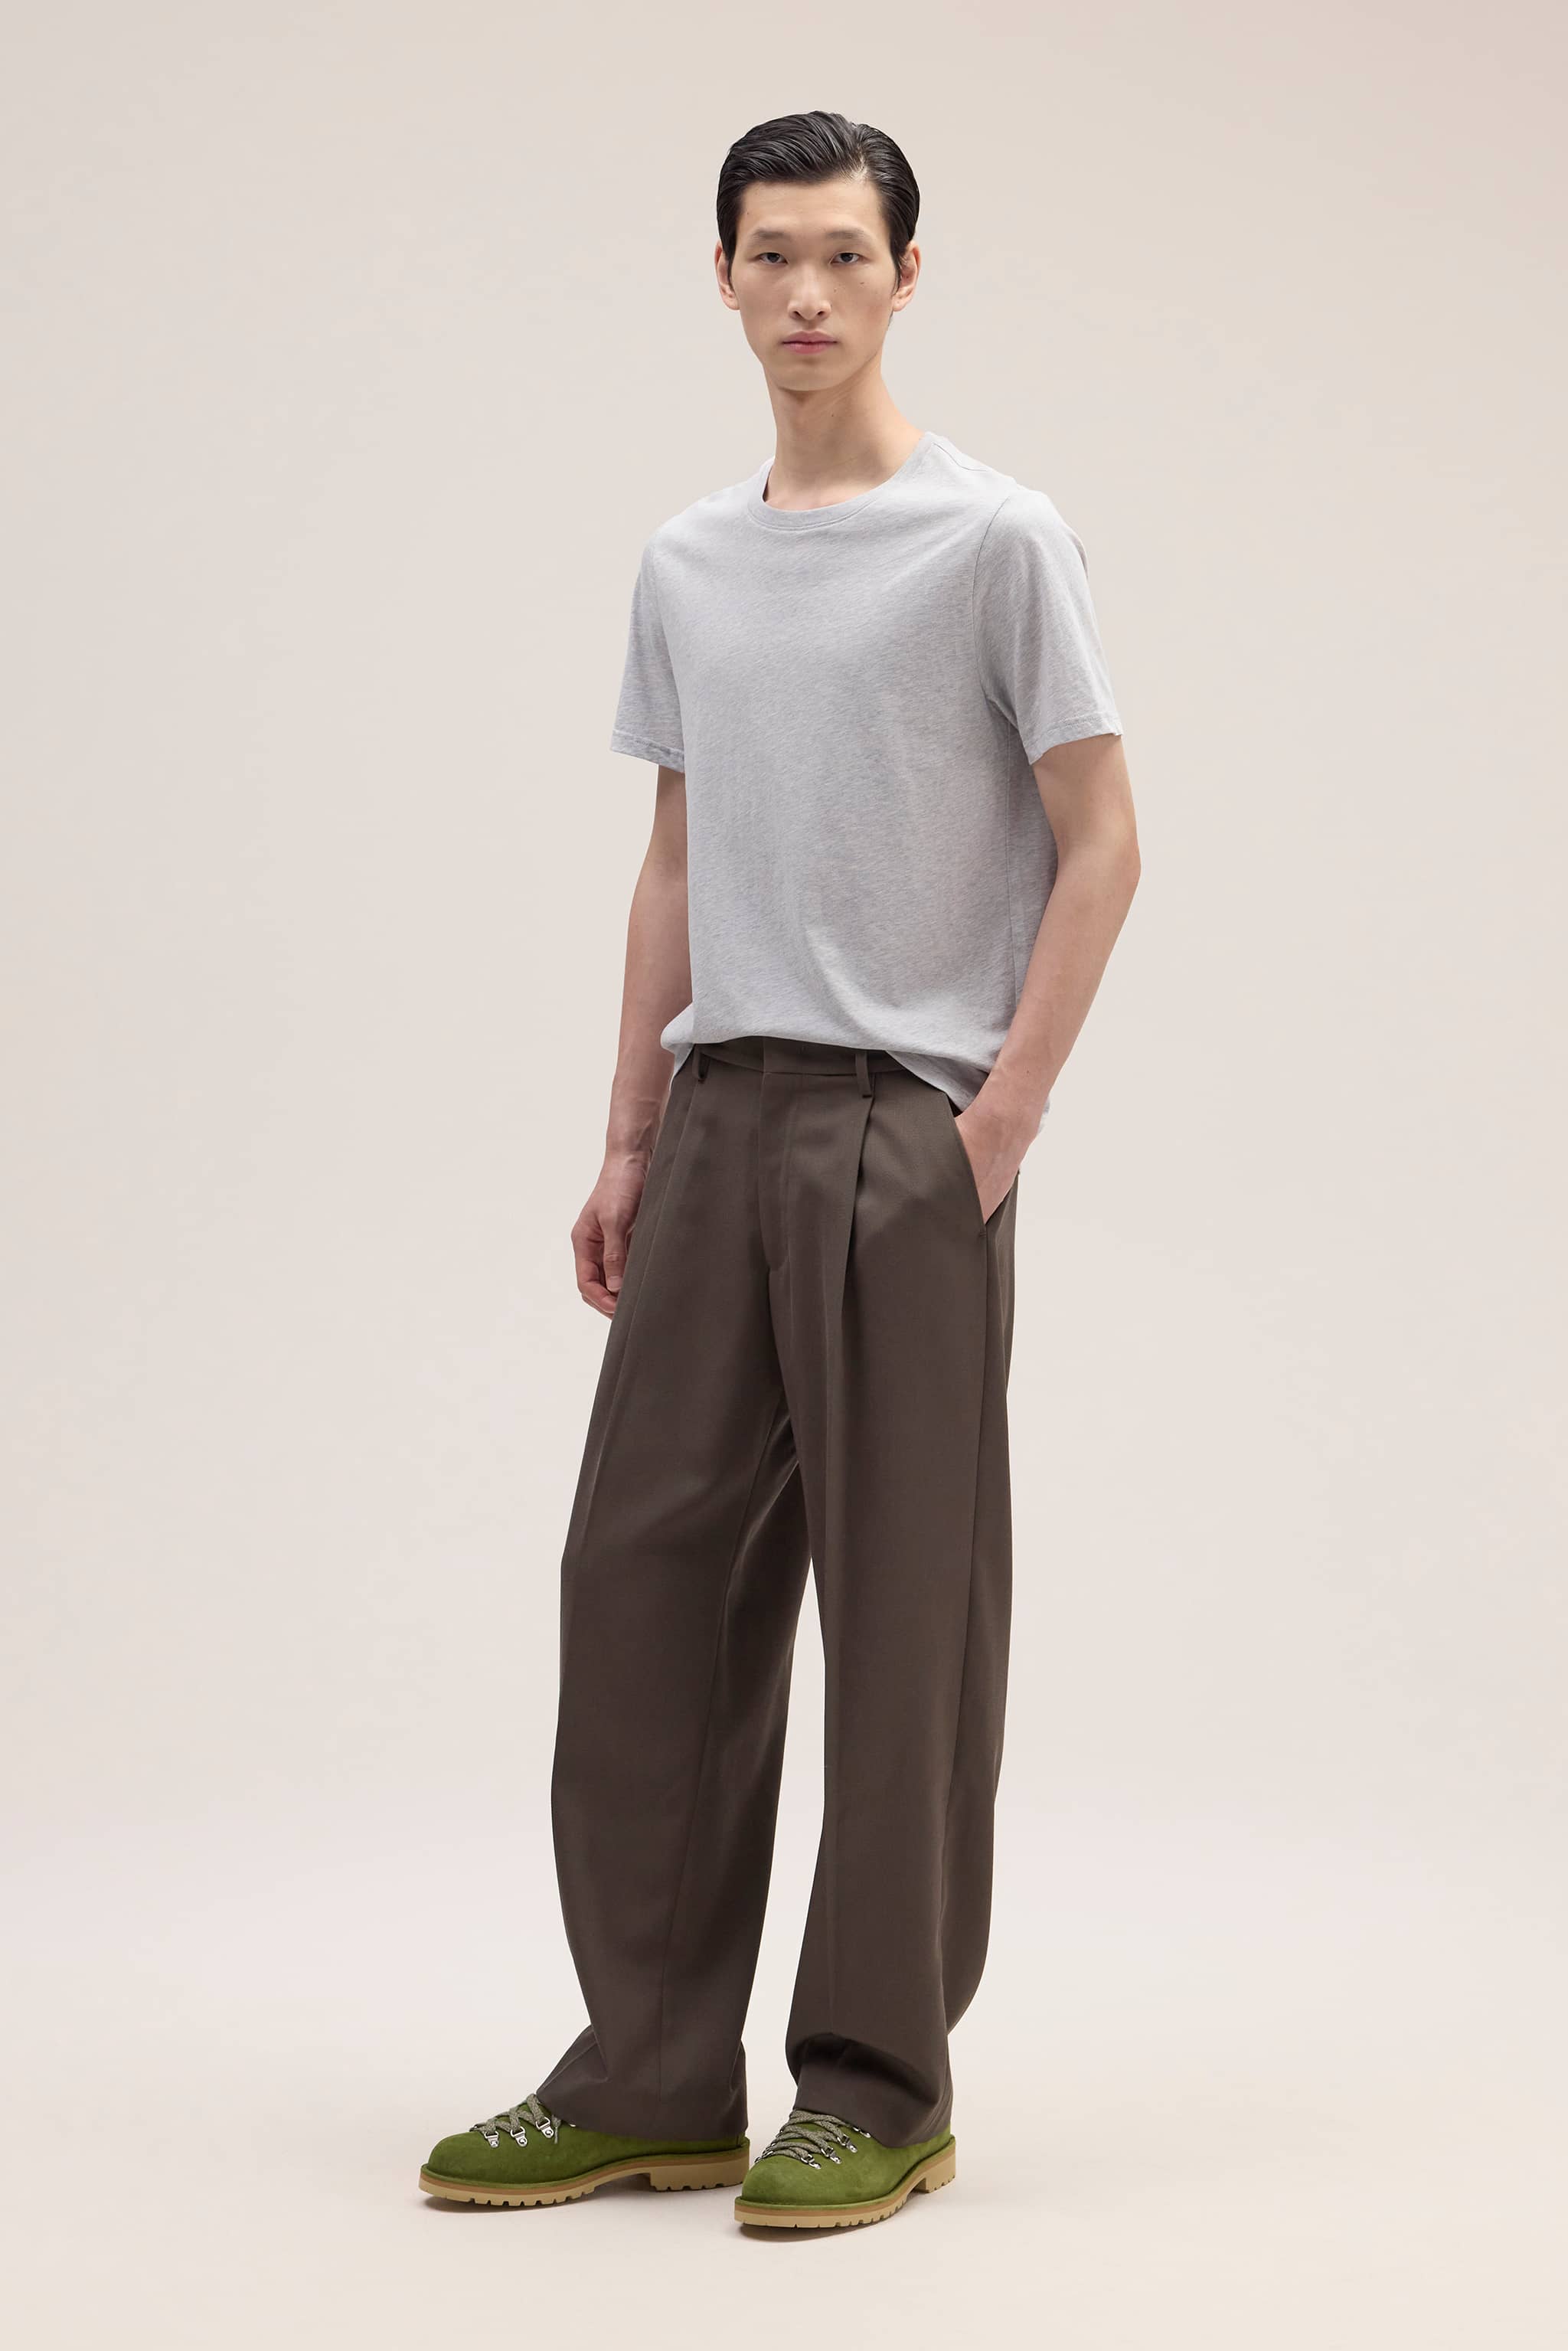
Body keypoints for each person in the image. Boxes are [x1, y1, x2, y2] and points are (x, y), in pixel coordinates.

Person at [417, 106, 1140, 2233]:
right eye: (770, 255)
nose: (807, 293)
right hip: (721, 1112)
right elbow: (675, 853)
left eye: (843, 254)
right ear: (724, 277)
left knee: (903, 1616)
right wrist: (628, 1131)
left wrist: (993, 1125)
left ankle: (877, 2082)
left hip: (905, 1124)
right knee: (640, 1577)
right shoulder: (689, 562)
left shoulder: (997, 539)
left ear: (907, 274)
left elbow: (1104, 842)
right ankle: (650, 2072)